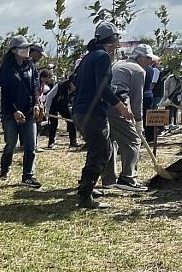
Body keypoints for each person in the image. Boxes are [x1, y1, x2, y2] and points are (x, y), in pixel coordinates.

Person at [72, 21, 134, 209]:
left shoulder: (89, 57)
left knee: (97, 149)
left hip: (80, 111)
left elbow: (75, 80)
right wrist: (121, 107)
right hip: (92, 113)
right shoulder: (103, 58)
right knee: (102, 152)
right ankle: (85, 196)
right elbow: (102, 88)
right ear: (112, 39)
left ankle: (86, 186)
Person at [102, 43, 153, 192]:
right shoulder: (138, 70)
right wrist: (138, 122)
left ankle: (109, 179)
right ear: (138, 57)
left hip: (103, 103)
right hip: (117, 105)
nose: (150, 63)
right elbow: (137, 99)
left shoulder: (119, 63)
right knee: (133, 140)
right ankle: (127, 178)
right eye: (147, 59)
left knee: (110, 140)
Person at [0, 36, 42, 188]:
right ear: (15, 50)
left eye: (28, 47)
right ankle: (5, 168)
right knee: (11, 144)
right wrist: (14, 111)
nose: (27, 50)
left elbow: (35, 88)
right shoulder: (6, 69)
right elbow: (5, 93)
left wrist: (36, 104)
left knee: (31, 146)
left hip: (29, 112)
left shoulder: (31, 66)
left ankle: (28, 176)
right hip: (10, 113)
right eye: (23, 47)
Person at [44, 76, 77, 149]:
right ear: (70, 83)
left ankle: (73, 142)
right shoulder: (59, 86)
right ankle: (51, 142)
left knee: (71, 121)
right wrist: (47, 110)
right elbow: (49, 97)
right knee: (54, 124)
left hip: (63, 106)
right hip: (53, 106)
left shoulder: (74, 90)